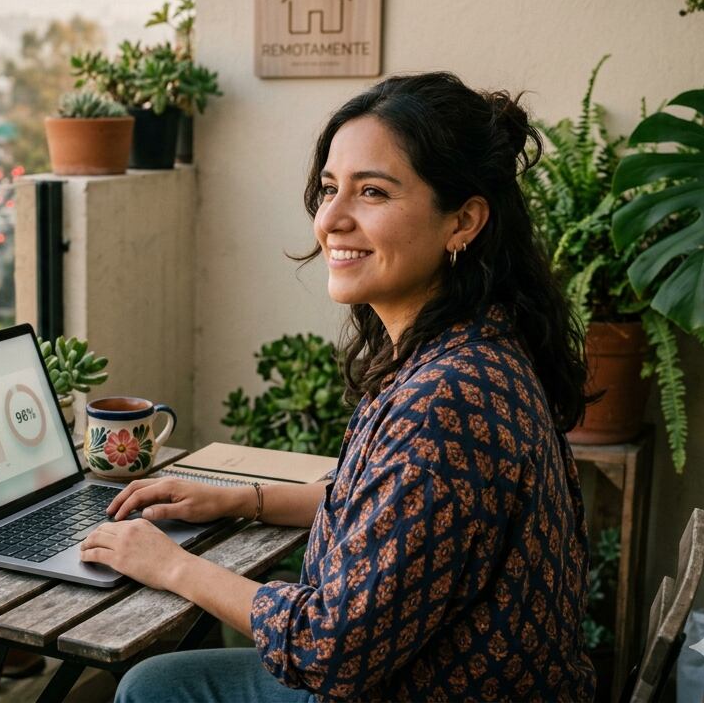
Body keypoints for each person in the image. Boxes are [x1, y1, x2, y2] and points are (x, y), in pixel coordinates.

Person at [81, 72, 598, 702]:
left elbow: (332, 648)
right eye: (330, 189)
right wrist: (239, 497)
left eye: (373, 192)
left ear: (463, 221)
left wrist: (171, 566)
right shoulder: (472, 344)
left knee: (152, 690)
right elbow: (387, 507)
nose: (331, 219)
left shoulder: (449, 398)